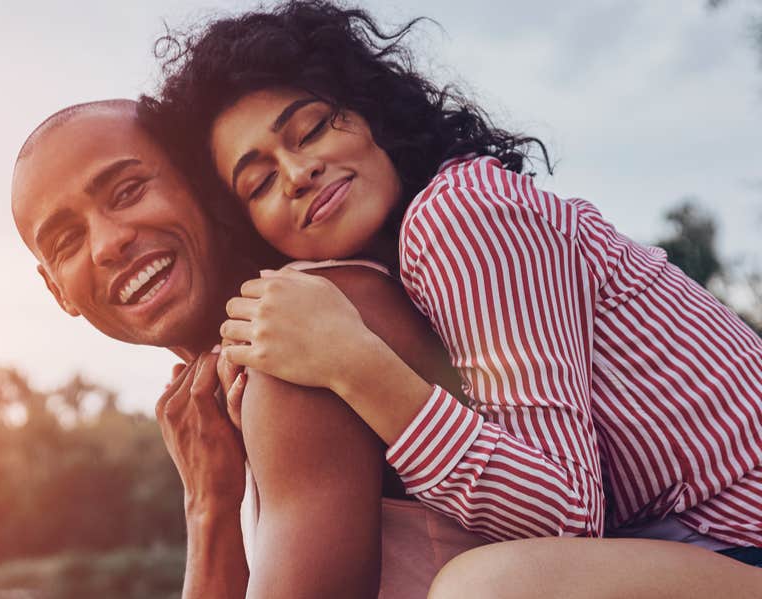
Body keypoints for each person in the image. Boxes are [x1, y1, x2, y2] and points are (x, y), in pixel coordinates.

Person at [138, 1, 762, 595]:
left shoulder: (458, 213)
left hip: (738, 531)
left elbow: (569, 520)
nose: (299, 173)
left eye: (312, 128)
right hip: (702, 549)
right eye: (261, 180)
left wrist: (354, 364)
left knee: (483, 589)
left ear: (369, 115)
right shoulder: (396, 276)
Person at [10, 99, 491, 598]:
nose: (107, 244)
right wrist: (212, 500)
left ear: (204, 183)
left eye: (128, 191)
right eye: (67, 240)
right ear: (58, 292)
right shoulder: (237, 379)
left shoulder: (298, 340)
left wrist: (208, 515)